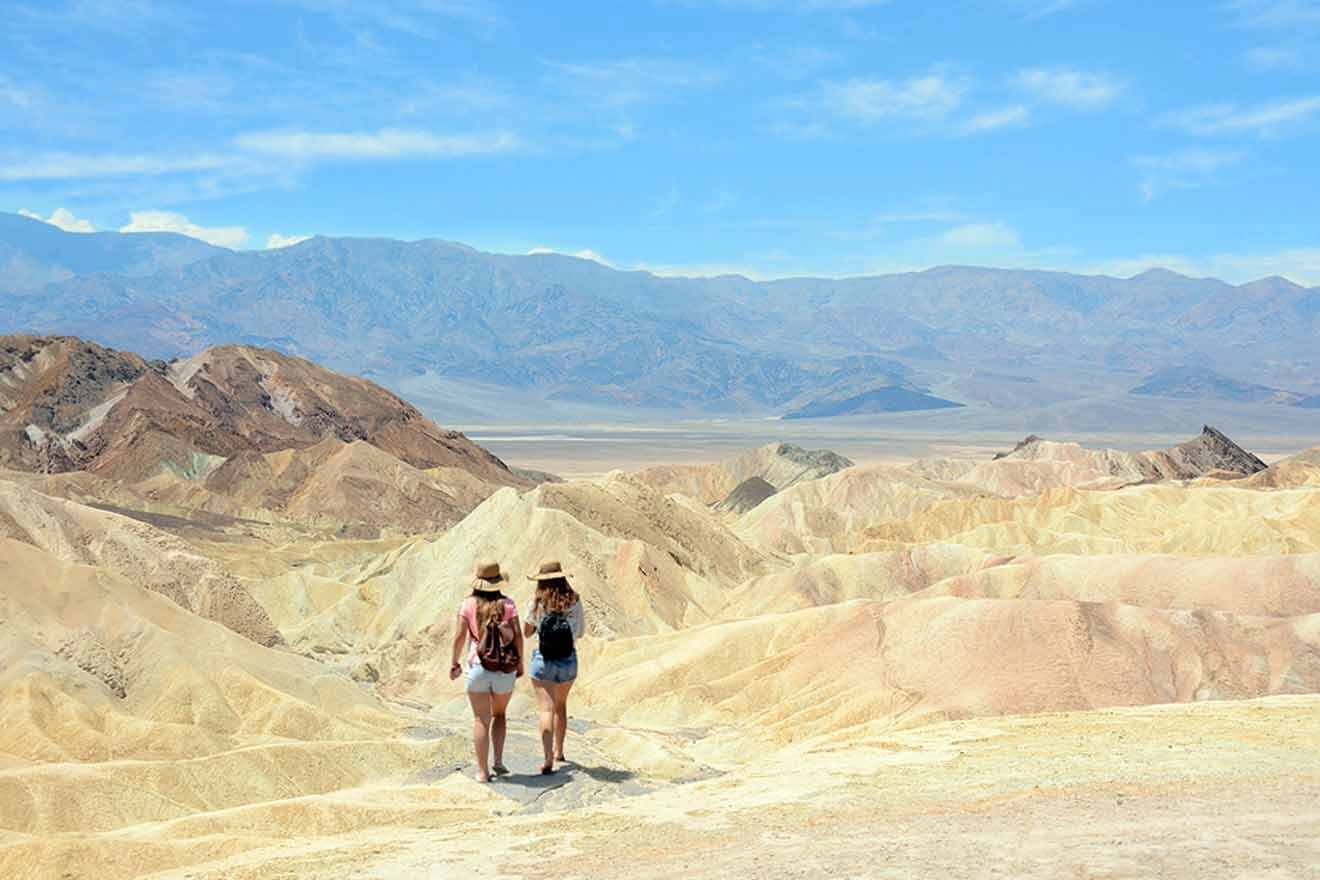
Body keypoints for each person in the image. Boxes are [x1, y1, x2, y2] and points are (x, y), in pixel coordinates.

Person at [450, 560, 524, 782]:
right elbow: (518, 636)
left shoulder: (468, 604)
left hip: (477, 666)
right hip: (503, 668)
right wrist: (519, 663)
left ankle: (482, 772)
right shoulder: (508, 605)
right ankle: (498, 761)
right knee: (499, 714)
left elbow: (459, 637)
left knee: (481, 719)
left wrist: (454, 663)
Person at [523, 559, 586, 774]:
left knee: (546, 710)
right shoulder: (574, 601)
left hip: (543, 660)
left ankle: (548, 759)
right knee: (561, 706)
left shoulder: (538, 602)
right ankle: (560, 751)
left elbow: (527, 632)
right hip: (568, 661)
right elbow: (579, 632)